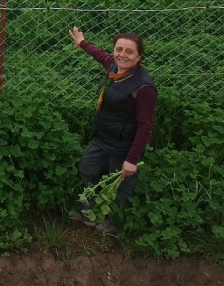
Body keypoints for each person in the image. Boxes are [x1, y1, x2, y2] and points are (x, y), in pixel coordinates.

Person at [67, 27, 158, 235]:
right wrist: (82, 42)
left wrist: (132, 159)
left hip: (124, 145)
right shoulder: (115, 67)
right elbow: (101, 55)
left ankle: (115, 222)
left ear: (139, 57)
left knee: (121, 186)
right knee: (87, 167)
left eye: (129, 52)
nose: (122, 55)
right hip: (103, 137)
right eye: (119, 49)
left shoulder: (143, 88)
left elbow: (145, 128)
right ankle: (87, 212)